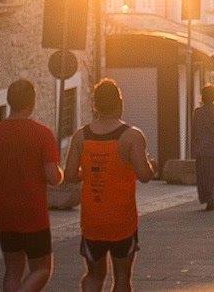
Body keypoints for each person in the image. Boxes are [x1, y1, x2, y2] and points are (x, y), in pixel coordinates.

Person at [0, 78, 62, 292]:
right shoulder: (43, 134)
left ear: (9, 102)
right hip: (33, 214)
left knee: (13, 270)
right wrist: (62, 174)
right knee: (42, 269)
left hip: (4, 212)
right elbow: (53, 177)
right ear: (32, 103)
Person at [64, 78, 156, 292]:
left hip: (92, 219)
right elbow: (144, 175)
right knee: (122, 277)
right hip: (122, 220)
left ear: (95, 105)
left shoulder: (81, 136)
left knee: (94, 275)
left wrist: (87, 172)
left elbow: (69, 175)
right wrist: (152, 166)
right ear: (120, 103)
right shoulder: (132, 136)